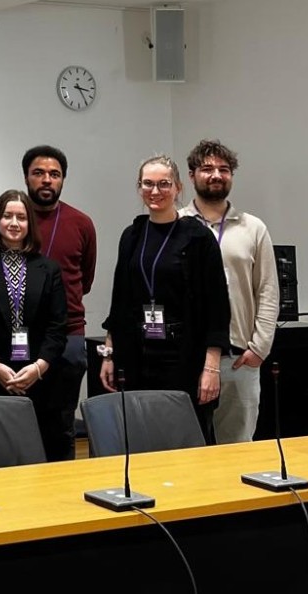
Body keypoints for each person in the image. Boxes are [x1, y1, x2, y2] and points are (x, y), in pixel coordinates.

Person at [100, 155, 231, 443]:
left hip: (184, 357)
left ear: (178, 187)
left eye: (164, 184)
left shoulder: (198, 238)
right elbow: (120, 299)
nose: (155, 191)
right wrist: (109, 354)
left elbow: (217, 308)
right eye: (148, 184)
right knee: (141, 437)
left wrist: (211, 368)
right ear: (139, 187)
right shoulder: (132, 236)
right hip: (138, 356)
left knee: (186, 439)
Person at [180, 140, 279, 443]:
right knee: (185, 449)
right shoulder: (177, 224)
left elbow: (268, 290)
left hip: (238, 358)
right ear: (191, 175)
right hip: (187, 357)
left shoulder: (253, 228)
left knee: (237, 450)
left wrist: (259, 348)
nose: (216, 175)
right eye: (207, 168)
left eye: (224, 169)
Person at [0, 190, 69, 461]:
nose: (14, 223)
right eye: (7, 216)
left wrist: (38, 368)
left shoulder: (49, 268)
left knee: (39, 454)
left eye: (21, 217)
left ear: (30, 224)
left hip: (39, 376)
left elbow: (57, 326)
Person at [21, 145, 97, 460]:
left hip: (68, 336)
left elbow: (85, 280)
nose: (47, 180)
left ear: (63, 179)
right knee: (22, 421)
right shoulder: (14, 221)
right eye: (39, 173)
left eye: (54, 174)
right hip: (23, 337)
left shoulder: (81, 223)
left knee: (62, 424)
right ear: (26, 177)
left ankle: (64, 482)